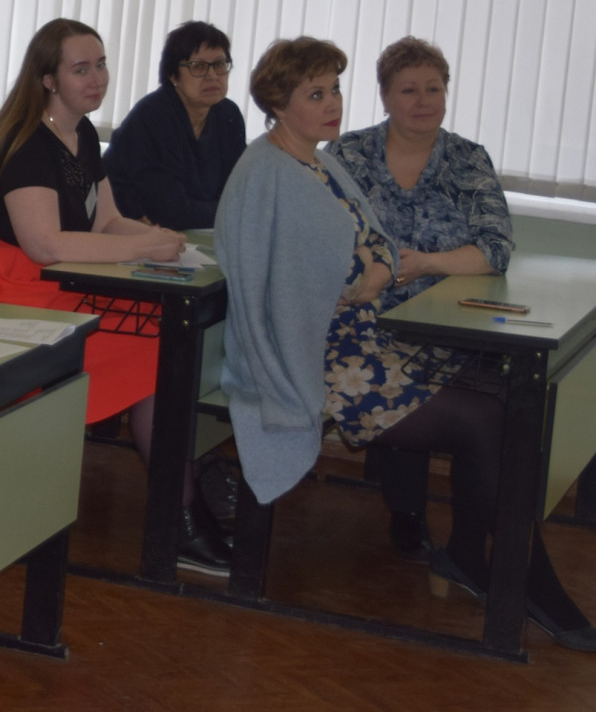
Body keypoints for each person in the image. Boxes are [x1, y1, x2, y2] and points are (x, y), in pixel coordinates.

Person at [217, 38, 593, 650]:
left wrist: (375, 268)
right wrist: (365, 275)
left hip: (361, 337)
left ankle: (477, 557)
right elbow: (277, 282)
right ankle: (519, 577)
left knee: (499, 401)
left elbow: (377, 246)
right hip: (315, 356)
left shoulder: (317, 162)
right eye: (316, 94)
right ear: (278, 105)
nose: (333, 104)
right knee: (483, 420)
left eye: (335, 90)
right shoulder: (267, 172)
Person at [0, 19, 220, 571]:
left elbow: (106, 220)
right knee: (156, 346)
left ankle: (188, 487)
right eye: (81, 69)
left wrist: (158, 240)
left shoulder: (80, 133)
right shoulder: (26, 142)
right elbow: (44, 244)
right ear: (48, 79)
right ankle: (178, 512)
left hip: (45, 277)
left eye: (101, 64)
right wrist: (140, 248)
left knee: (167, 333)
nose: (97, 78)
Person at [331, 37, 515, 560]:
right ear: (385, 96)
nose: (423, 100)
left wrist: (429, 263)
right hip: (364, 322)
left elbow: (495, 248)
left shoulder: (467, 159)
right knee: (414, 379)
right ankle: (409, 516)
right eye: (408, 89)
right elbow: (323, 242)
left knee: (503, 402)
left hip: (452, 324)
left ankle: (475, 540)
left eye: (433, 89)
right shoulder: (346, 156)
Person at [104, 20, 247, 229]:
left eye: (219, 64)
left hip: (190, 233)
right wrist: (231, 211)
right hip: (123, 229)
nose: (212, 76)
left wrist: (233, 210)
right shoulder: (154, 117)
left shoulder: (228, 116)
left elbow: (241, 194)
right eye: (198, 66)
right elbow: (171, 212)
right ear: (173, 75)